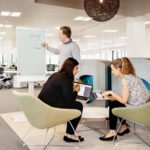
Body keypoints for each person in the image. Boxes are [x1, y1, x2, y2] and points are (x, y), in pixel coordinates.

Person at [100, 57, 150, 141]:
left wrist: (112, 93)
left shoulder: (125, 80)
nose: (112, 72)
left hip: (139, 109)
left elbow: (123, 101)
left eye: (113, 70)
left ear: (119, 69)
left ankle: (112, 132)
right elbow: (126, 98)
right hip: (144, 106)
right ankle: (123, 127)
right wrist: (110, 97)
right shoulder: (132, 76)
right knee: (116, 102)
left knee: (113, 104)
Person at [38, 57, 84, 142]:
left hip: (42, 106)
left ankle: (70, 133)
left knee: (73, 104)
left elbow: (59, 92)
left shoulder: (56, 75)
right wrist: (76, 91)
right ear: (70, 68)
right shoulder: (66, 80)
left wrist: (71, 90)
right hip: (50, 109)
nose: (77, 71)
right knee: (78, 105)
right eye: (76, 68)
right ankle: (69, 135)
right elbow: (70, 102)